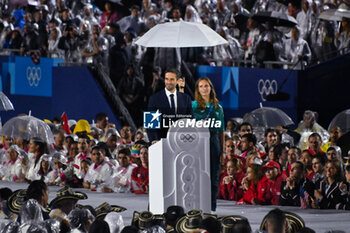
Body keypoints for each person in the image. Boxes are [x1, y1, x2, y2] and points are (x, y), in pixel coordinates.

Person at [192, 77, 224, 212]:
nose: (204, 89)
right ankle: (197, 206)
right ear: (198, 90)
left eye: (206, 86)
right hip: (197, 142)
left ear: (211, 88)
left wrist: (222, 151)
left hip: (213, 141)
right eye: (201, 86)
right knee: (197, 174)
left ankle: (211, 207)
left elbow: (221, 130)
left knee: (213, 175)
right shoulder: (193, 106)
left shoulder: (218, 107)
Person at [147, 68, 193, 142]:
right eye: (166, 79)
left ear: (177, 81)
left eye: (171, 79)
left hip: (181, 142)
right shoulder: (154, 99)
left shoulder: (186, 99)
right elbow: (150, 125)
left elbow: (190, 122)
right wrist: (154, 140)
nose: (168, 82)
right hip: (161, 142)